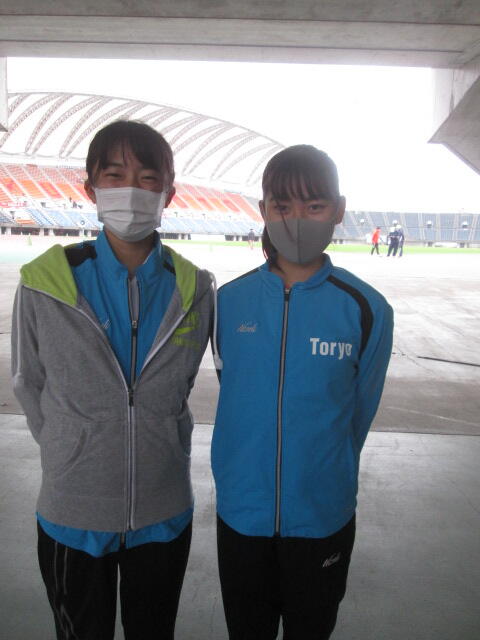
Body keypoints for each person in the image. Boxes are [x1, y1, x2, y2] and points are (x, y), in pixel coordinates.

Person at [11, 120, 213, 640]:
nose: (131, 189)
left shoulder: (195, 287)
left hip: (163, 509)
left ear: (169, 193)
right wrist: (73, 448)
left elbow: (184, 384)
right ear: (91, 188)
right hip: (74, 510)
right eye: (115, 175)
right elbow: (28, 383)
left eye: (148, 178)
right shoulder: (44, 283)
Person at [211, 145, 393, 640]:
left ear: (339, 210)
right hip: (242, 513)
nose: (296, 219)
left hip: (321, 515)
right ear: (263, 210)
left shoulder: (366, 308)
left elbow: (358, 413)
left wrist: (321, 471)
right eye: (282, 206)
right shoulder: (228, 302)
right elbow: (237, 393)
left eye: (314, 206)